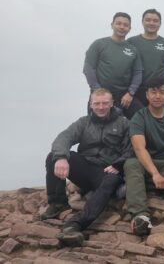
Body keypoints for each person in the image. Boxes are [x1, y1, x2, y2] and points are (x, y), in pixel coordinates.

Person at [41, 89, 131, 246]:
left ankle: (75, 224)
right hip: (85, 166)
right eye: (97, 103)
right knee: (53, 157)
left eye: (105, 103)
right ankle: (57, 203)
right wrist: (61, 157)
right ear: (90, 105)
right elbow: (64, 137)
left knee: (110, 181)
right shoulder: (83, 122)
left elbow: (131, 149)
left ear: (112, 104)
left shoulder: (124, 124)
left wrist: (119, 165)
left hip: (108, 169)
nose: (101, 107)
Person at [124, 77, 164, 236]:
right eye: (153, 92)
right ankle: (140, 215)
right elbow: (139, 149)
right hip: (146, 163)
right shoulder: (139, 117)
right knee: (131, 164)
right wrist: (155, 174)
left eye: (162, 92)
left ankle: (141, 186)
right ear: (147, 95)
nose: (157, 96)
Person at [83, 12, 143, 118]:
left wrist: (130, 93)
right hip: (101, 94)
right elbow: (88, 68)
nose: (122, 27)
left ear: (129, 28)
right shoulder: (99, 44)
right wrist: (97, 90)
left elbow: (138, 72)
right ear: (112, 25)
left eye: (125, 25)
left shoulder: (133, 50)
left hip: (124, 95)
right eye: (118, 23)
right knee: (96, 128)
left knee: (143, 117)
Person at [128, 9, 164, 106]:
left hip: (160, 90)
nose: (151, 23)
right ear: (142, 22)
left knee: (162, 119)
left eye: (155, 21)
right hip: (136, 89)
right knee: (138, 119)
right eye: (148, 20)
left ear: (160, 23)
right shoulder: (131, 42)